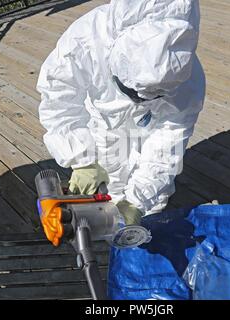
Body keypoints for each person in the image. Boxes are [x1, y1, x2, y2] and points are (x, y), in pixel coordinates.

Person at [37, 0, 205, 225]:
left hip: (148, 128)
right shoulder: (84, 41)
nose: (137, 100)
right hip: (102, 122)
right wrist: (82, 159)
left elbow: (168, 143)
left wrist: (138, 201)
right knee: (109, 176)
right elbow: (59, 102)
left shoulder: (187, 80)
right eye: (131, 91)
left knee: (149, 206)